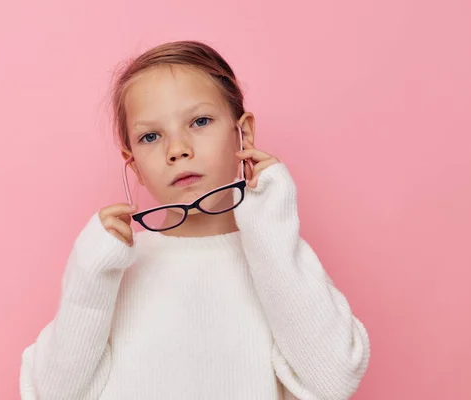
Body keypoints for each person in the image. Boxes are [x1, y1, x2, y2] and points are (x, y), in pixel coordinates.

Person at [19, 40, 370, 400]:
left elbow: (334, 379)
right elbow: (53, 394)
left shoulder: (275, 256)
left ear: (243, 133)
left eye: (200, 121)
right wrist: (89, 278)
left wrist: (271, 227)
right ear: (134, 163)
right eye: (151, 136)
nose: (177, 149)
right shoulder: (114, 270)